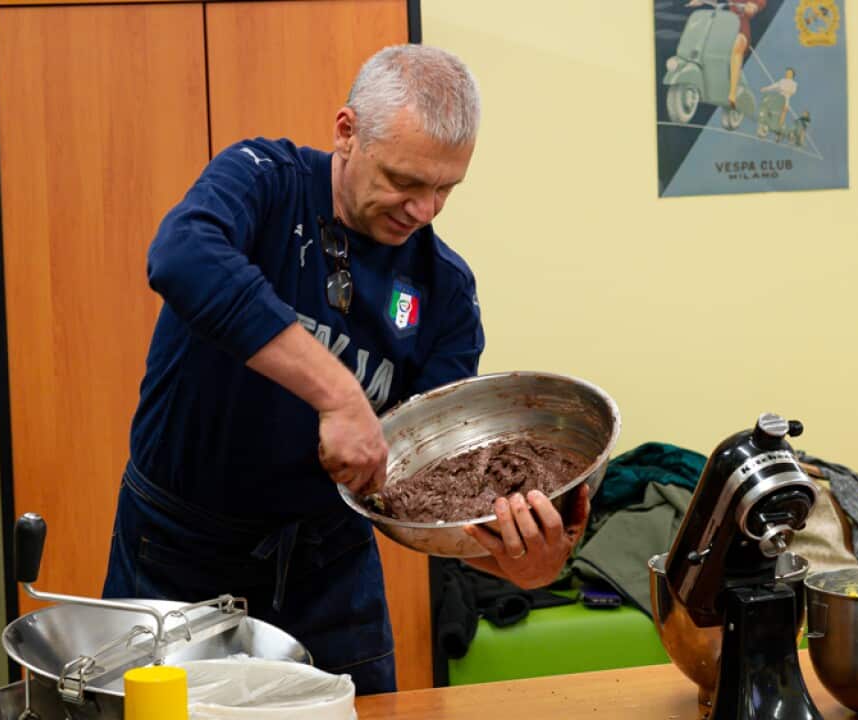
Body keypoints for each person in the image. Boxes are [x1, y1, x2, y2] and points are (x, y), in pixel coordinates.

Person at [102, 44, 589, 695]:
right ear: (346, 132)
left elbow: (425, 483)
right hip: (176, 557)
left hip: (329, 576)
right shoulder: (263, 180)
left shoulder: (444, 292)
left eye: (445, 188)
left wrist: (517, 560)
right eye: (405, 181)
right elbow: (181, 256)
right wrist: (339, 395)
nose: (425, 210)